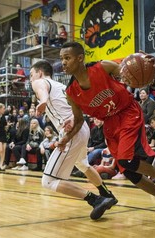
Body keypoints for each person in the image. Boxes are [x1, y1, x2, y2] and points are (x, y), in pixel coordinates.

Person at [60, 42, 155, 223]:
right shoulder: (71, 92)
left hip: (128, 112)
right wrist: (65, 138)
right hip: (110, 124)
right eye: (61, 59)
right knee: (130, 172)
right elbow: (79, 120)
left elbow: (132, 74)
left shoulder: (102, 67)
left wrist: (147, 65)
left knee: (126, 160)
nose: (63, 63)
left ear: (80, 58)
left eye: (67, 58)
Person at [30, 59, 117, 220]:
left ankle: (96, 200)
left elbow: (41, 89)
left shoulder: (40, 82)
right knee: (83, 164)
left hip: (72, 133)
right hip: (81, 127)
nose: (31, 79)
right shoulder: (62, 87)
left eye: (31, 75)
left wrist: (42, 101)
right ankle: (107, 193)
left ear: (40, 73)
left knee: (48, 181)